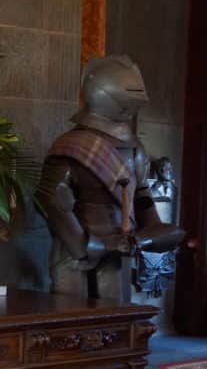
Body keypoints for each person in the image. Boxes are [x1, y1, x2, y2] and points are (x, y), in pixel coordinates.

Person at [38, 55, 184, 303]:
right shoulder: (70, 147)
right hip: (75, 251)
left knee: (114, 323)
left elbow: (143, 199)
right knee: (70, 321)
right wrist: (97, 245)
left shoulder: (135, 149)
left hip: (119, 249)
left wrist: (147, 235)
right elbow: (53, 205)